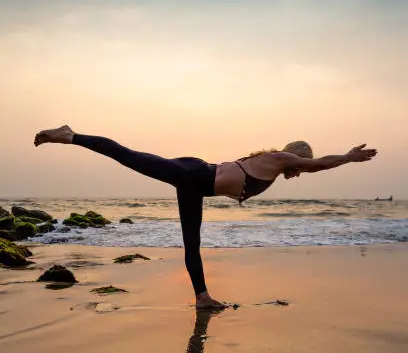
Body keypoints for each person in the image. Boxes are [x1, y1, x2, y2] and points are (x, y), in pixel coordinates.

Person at [34, 125, 377, 309]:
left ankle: (201, 297)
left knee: (192, 245)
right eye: (301, 165)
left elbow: (311, 169)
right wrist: (347, 157)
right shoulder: (281, 158)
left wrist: (342, 160)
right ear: (297, 156)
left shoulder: (274, 164)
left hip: (194, 183)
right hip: (192, 175)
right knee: (128, 156)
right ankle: (70, 135)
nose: (301, 171)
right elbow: (317, 165)